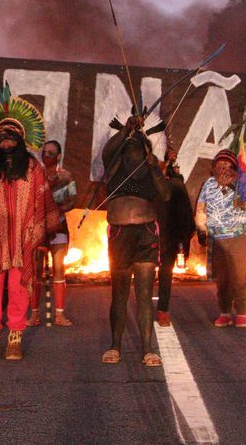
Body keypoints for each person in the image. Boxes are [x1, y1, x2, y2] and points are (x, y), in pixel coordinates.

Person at [0, 93, 59, 360]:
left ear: (20, 140)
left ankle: (14, 341)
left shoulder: (33, 168)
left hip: (22, 243)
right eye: (2, 136)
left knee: (18, 292)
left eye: (11, 136)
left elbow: (44, 200)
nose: (6, 139)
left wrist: (42, 232)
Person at [98, 114, 171, 366]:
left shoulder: (151, 168)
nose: (132, 151)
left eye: (136, 146)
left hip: (146, 233)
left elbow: (166, 194)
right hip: (120, 233)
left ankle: (148, 349)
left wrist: (154, 168)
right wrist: (126, 130)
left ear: (145, 149)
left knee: (143, 293)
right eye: (127, 147)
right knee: (119, 293)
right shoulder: (114, 165)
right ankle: (115, 346)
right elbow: (108, 151)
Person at [196, 149, 246, 329]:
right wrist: (201, 228)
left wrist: (238, 197)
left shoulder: (243, 183)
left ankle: (240, 312)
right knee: (222, 278)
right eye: (219, 164)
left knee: (240, 277)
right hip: (218, 238)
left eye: (226, 164)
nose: (222, 167)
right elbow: (201, 207)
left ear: (233, 166)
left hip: (240, 237)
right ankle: (224, 312)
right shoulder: (208, 184)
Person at [29, 139, 77, 327]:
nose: (46, 156)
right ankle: (34, 315)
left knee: (58, 268)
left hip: (59, 227)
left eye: (50, 153)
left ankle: (59, 314)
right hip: (39, 229)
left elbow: (73, 199)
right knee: (36, 270)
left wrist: (59, 209)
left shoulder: (67, 177)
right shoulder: (34, 176)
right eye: (44, 152)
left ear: (58, 156)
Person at [156, 147, 195, 327]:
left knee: (165, 273)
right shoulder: (143, 181)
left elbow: (185, 214)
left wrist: (183, 242)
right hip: (146, 235)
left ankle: (163, 309)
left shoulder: (176, 183)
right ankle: (145, 309)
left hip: (168, 237)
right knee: (144, 273)